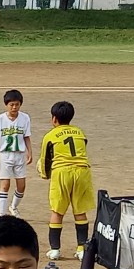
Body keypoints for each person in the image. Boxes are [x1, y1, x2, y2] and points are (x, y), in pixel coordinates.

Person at [37, 101, 93, 260]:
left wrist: (45, 175)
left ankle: (55, 249)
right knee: (80, 211)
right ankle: (82, 249)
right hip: (82, 172)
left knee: (57, 211)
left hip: (61, 173)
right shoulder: (80, 132)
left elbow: (45, 159)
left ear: (54, 119)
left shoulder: (50, 135)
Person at [0, 90, 33, 217]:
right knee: (5, 184)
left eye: (17, 104)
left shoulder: (25, 118)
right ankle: (2, 215)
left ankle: (13, 206)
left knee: (21, 186)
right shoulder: (0, 119)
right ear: (6, 105)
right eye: (11, 105)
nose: (14, 107)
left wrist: (30, 152)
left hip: (19, 155)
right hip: (5, 155)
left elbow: (26, 136)